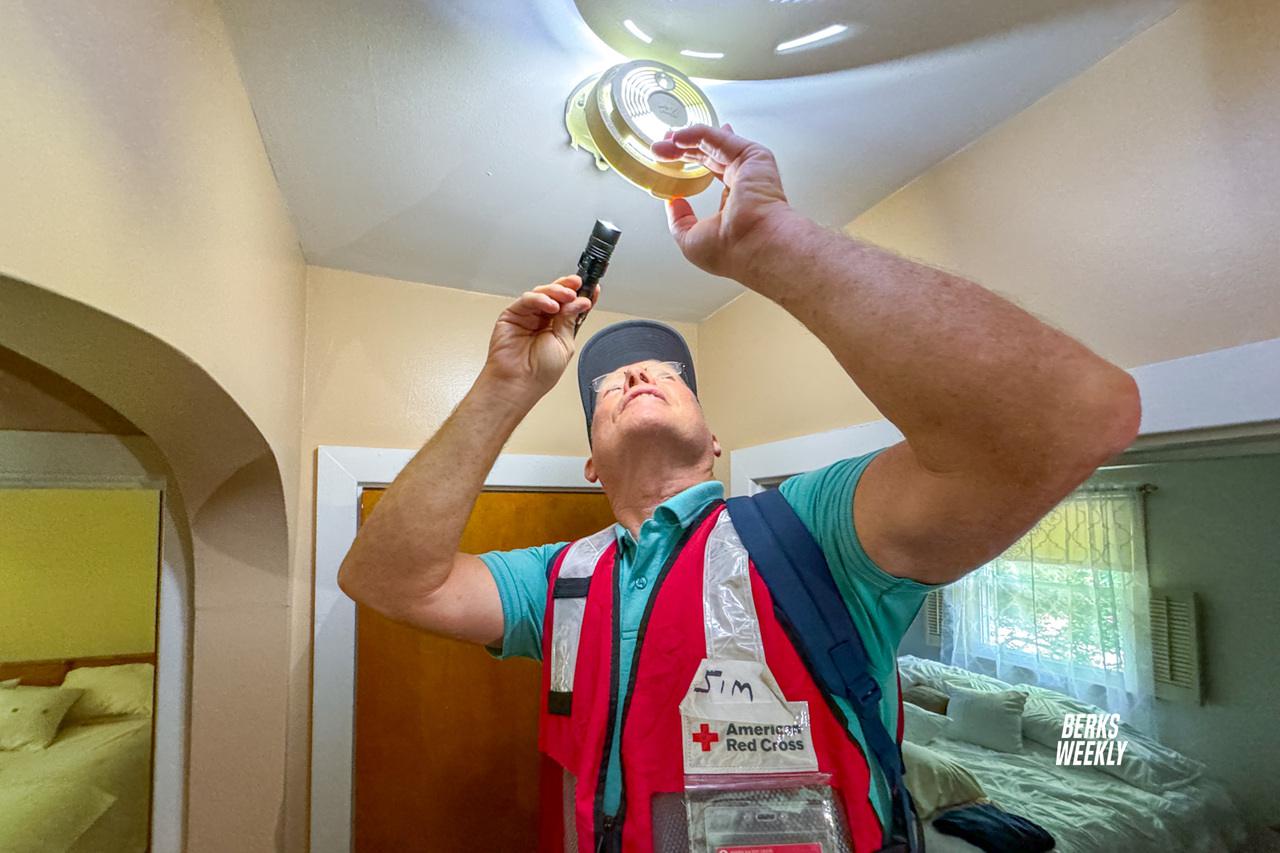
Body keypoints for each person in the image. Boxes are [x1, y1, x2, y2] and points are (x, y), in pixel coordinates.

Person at [338, 124, 1140, 852]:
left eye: (666, 371)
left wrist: (768, 241)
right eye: (609, 384)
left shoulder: (811, 530)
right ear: (591, 464)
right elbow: (387, 579)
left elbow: (1069, 419)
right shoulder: (561, 581)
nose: (640, 374)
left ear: (715, 440)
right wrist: (503, 387)